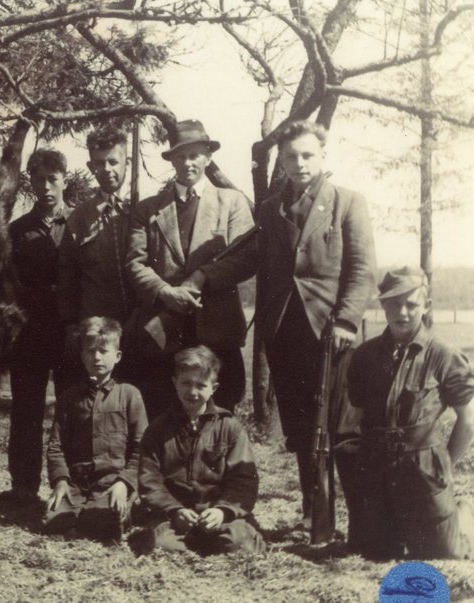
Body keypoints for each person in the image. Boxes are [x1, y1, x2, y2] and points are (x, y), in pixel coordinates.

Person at [256, 120, 376, 529]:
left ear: (322, 156)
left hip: (331, 331)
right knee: (301, 427)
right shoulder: (269, 209)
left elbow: (361, 269)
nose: (300, 163)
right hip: (284, 329)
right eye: (291, 156)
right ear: (281, 160)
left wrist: (347, 321)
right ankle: (313, 512)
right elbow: (267, 271)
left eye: (308, 155)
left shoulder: (347, 202)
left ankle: (359, 517)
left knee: (339, 427)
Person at [125, 120, 255, 419]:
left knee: (219, 419)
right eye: (180, 156)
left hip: (218, 333)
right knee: (163, 417)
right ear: (171, 160)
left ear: (208, 157)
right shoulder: (147, 210)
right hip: (164, 336)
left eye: (195, 155)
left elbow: (246, 257)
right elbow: (135, 263)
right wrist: (165, 292)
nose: (187, 163)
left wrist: (203, 277)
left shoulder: (232, 202)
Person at [347, 267, 474, 559]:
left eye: (411, 304)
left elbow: (468, 421)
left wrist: (443, 467)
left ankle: (464, 514)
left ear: (426, 306)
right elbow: (356, 418)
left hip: (423, 473)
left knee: (444, 554)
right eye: (394, 304)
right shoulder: (364, 356)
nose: (402, 312)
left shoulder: (444, 355)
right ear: (382, 305)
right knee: (373, 553)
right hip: (377, 471)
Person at [134, 345, 265, 555]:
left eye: (201, 385)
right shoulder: (158, 429)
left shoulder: (230, 427)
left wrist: (223, 511)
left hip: (218, 514)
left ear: (214, 388)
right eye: (186, 383)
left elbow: (244, 480)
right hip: (174, 515)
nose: (192, 392)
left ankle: (221, 537)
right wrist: (174, 510)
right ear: (174, 382)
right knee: (161, 546)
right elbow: (149, 480)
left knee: (239, 542)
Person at [5, 148, 71, 503]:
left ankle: (72, 484)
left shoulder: (79, 224)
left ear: (64, 180)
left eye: (52, 179)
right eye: (39, 179)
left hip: (70, 331)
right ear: (30, 182)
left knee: (71, 406)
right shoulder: (17, 230)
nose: (46, 187)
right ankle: (23, 486)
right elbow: (7, 285)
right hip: (30, 333)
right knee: (26, 408)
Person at [43, 317, 146, 540]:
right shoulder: (69, 398)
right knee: (52, 520)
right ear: (82, 356)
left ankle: (116, 512)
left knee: (105, 518)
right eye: (90, 351)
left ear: (117, 356)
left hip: (113, 482)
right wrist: (61, 481)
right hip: (78, 484)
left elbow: (143, 448)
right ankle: (82, 516)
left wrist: (125, 483)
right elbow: (56, 446)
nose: (96, 357)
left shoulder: (129, 394)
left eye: (103, 351)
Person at [56, 127, 136, 386]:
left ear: (127, 162)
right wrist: (71, 325)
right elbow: (67, 275)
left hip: (139, 327)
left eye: (113, 161)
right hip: (97, 332)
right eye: (100, 163)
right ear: (91, 167)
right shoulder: (80, 217)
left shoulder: (144, 209)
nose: (107, 169)